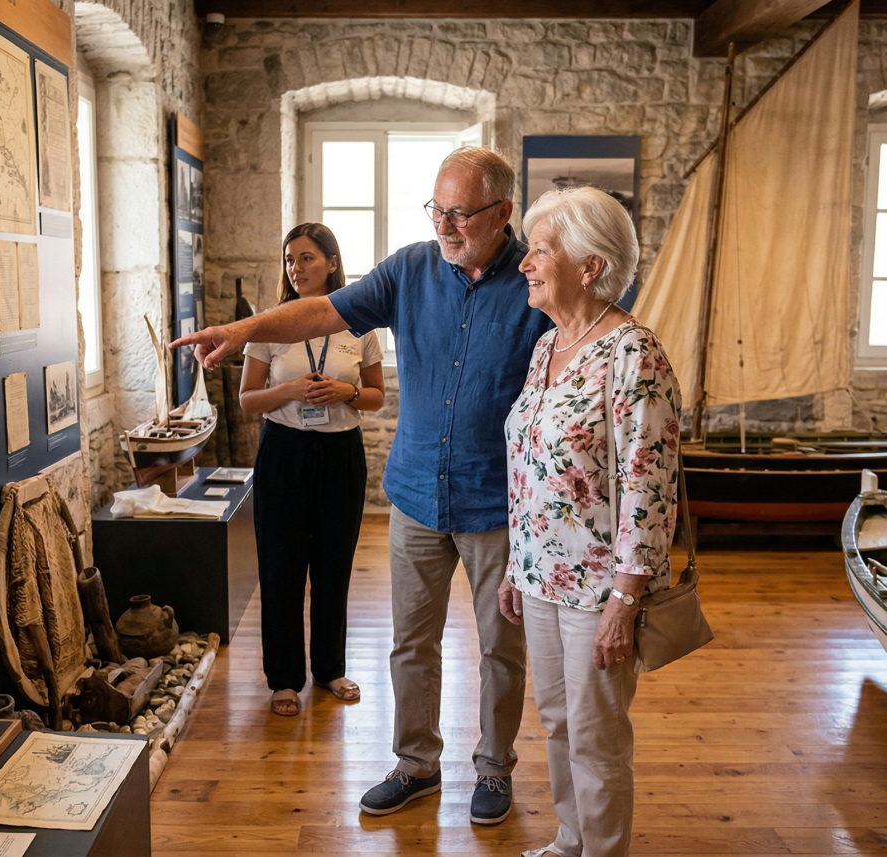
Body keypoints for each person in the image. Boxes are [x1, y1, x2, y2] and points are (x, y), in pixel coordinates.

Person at [173, 147, 551, 826]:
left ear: (503, 212)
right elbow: (319, 314)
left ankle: (494, 768)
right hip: (414, 496)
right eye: (436, 208)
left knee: (500, 646)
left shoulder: (533, 282)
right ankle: (416, 763)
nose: (445, 224)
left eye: (460, 212)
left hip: (499, 504)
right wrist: (242, 330)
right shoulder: (410, 268)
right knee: (411, 642)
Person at [497, 186, 681, 857]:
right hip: (542, 576)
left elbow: (648, 483)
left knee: (596, 734)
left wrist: (626, 599)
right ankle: (570, 841)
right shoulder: (548, 347)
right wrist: (518, 566)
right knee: (555, 723)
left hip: (602, 587)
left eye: (541, 249)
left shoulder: (634, 353)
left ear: (590, 265)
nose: (525, 262)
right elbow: (530, 464)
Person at [239, 223, 385, 718]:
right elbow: (246, 400)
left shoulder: (359, 325)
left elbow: (377, 397)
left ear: (331, 263)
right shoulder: (269, 324)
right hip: (282, 452)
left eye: (305, 258)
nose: (295, 269)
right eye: (289, 260)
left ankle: (329, 669)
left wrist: (344, 393)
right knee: (279, 567)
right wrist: (290, 391)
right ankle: (283, 678)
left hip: (341, 455)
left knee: (332, 565)